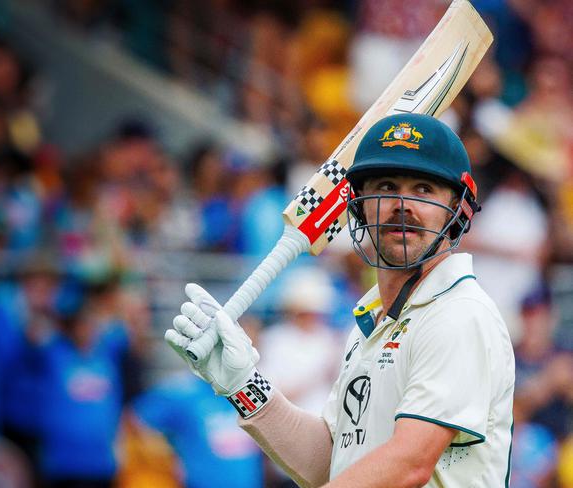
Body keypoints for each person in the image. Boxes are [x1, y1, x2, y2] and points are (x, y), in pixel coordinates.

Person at [165, 113, 515, 487]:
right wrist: (243, 385)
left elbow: (409, 464)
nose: (402, 204)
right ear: (359, 206)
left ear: (459, 209)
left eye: (424, 189)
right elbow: (330, 466)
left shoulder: (459, 314)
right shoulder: (370, 325)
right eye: (386, 185)